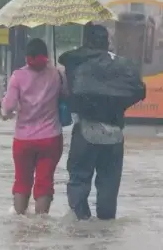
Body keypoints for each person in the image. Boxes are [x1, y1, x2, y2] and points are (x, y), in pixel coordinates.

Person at [59, 25, 128, 221]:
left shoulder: (75, 63)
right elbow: (137, 90)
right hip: (115, 133)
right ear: (107, 43)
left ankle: (81, 223)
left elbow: (64, 62)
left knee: (79, 179)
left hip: (85, 132)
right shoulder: (119, 67)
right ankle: (105, 228)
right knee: (109, 183)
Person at [0, 38, 67, 215]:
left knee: (22, 181)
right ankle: (41, 226)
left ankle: (20, 224)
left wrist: (3, 111)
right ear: (46, 55)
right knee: (45, 182)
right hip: (51, 138)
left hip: (23, 140)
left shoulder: (18, 76)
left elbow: (7, 108)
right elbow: (66, 96)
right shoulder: (58, 74)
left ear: (26, 56)